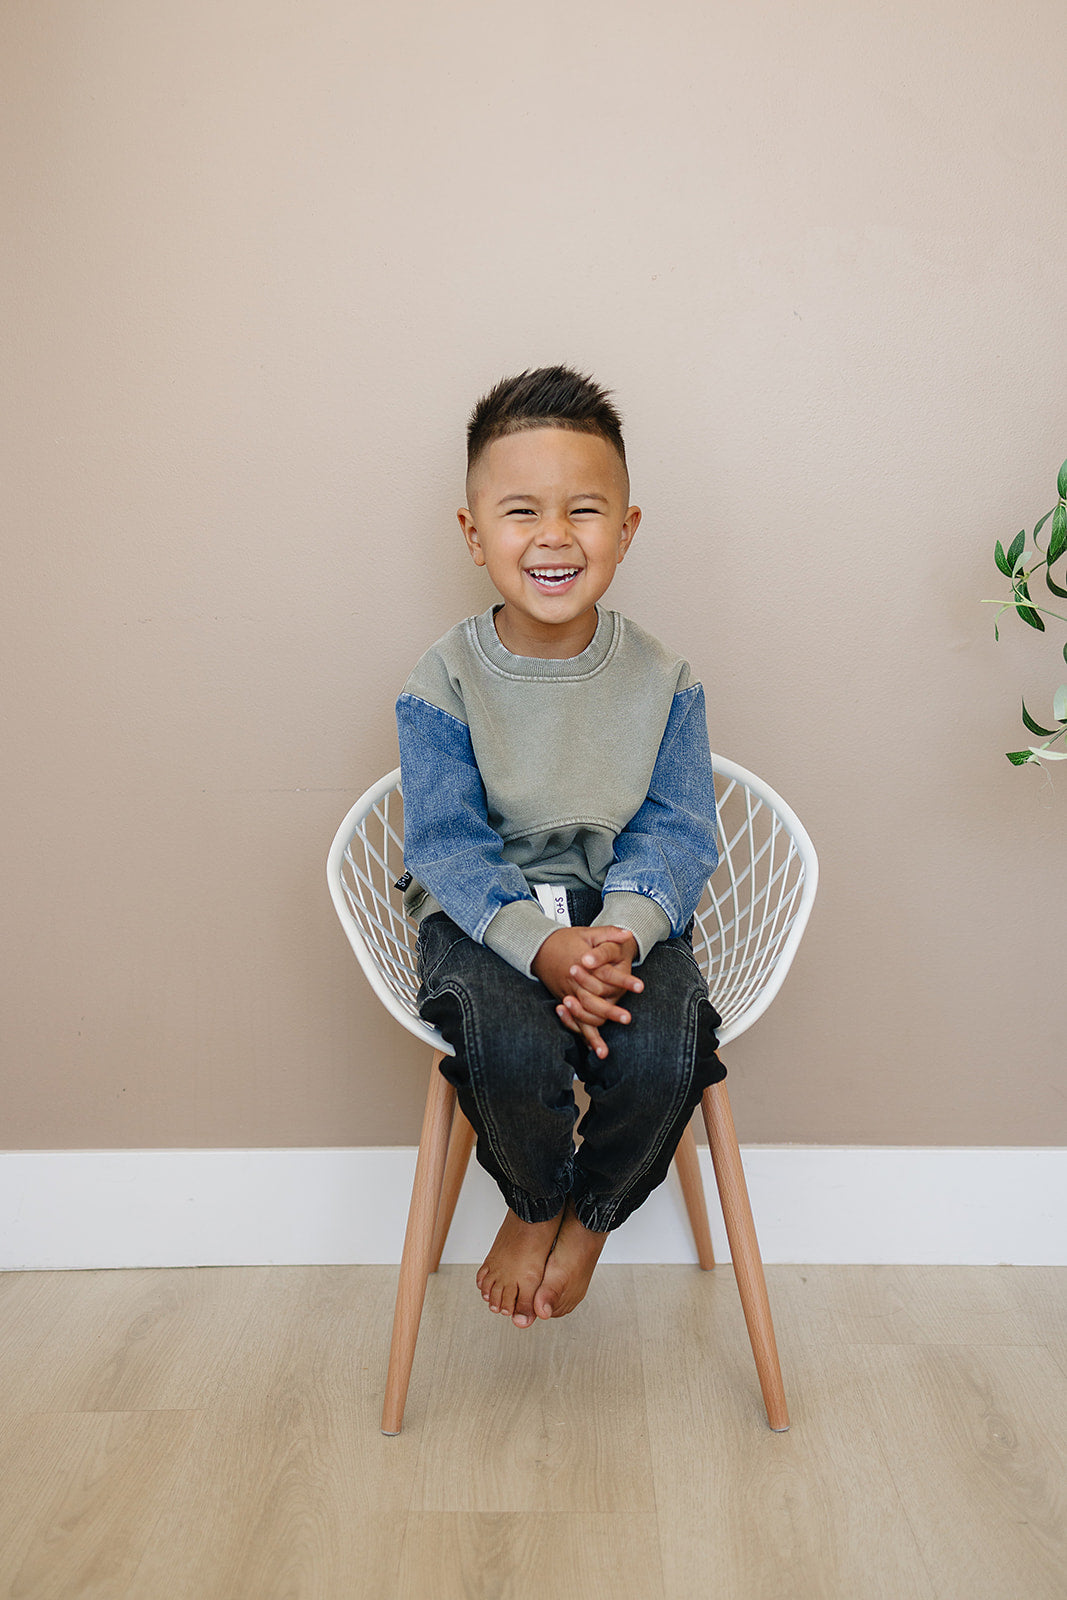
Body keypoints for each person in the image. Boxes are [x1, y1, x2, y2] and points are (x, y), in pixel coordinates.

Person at [395, 365, 724, 1331]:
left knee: (669, 1044)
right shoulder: (441, 680)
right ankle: (534, 1202)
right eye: (520, 512)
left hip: (622, 917)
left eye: (583, 510)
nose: (553, 536)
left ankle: (589, 1218)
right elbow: (447, 843)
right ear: (473, 535)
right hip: (486, 922)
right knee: (504, 1038)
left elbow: (677, 827)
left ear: (624, 529)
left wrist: (616, 937)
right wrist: (540, 949)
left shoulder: (664, 678)